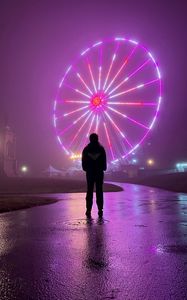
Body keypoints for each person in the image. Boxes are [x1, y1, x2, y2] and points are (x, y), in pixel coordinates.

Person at [82, 133, 107, 218]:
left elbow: (83, 162)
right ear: (97, 139)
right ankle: (100, 209)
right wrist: (103, 168)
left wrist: (86, 169)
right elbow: (104, 161)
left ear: (90, 139)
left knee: (89, 191)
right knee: (99, 191)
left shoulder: (86, 149)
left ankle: (88, 210)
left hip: (90, 172)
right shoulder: (101, 149)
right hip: (99, 172)